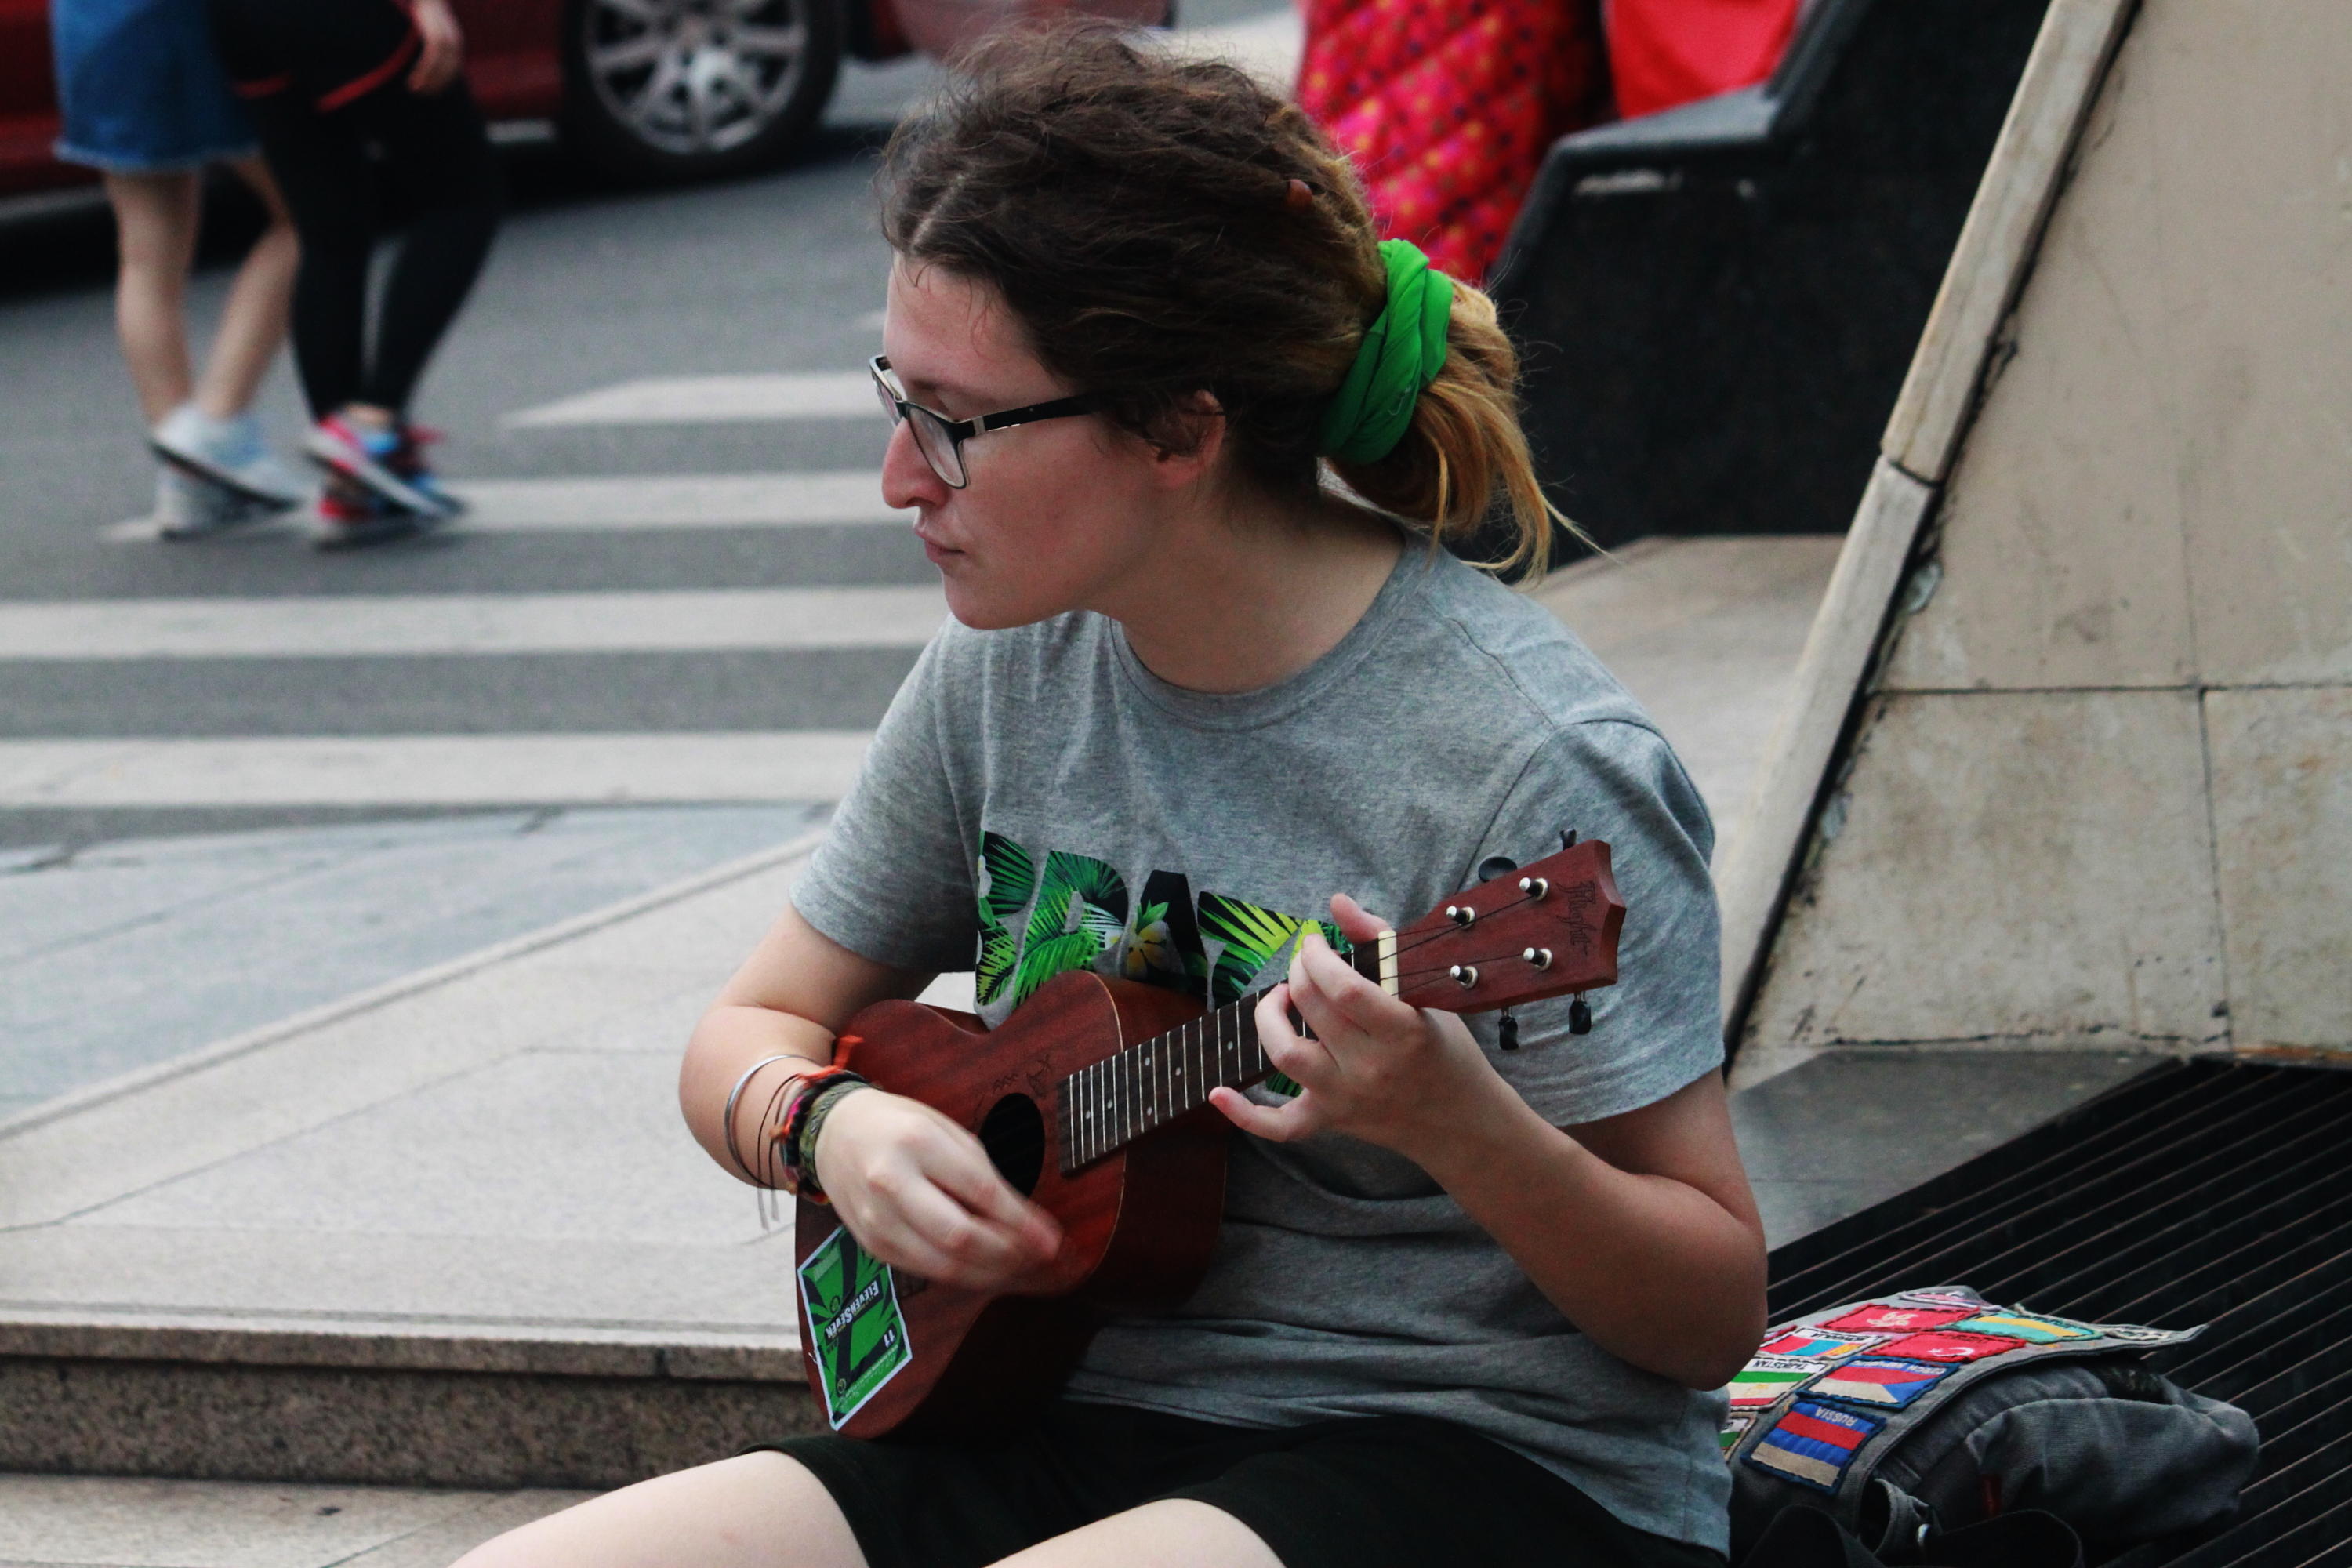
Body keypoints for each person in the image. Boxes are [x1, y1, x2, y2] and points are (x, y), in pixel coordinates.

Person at [456, 24, 1766, 1568]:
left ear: (1181, 430)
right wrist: (837, 1130)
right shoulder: (1010, 671)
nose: (896, 476)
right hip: (1059, 1408)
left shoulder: (1529, 762)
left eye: (955, 419)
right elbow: (745, 1033)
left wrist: (1460, 1123)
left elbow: (1708, 1311)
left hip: (1481, 1458)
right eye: (898, 394)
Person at [204, 0, 503, 548]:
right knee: (462, 199)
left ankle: (352, 478)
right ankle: (370, 426)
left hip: (238, 21)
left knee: (329, 232)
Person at [50, 0, 306, 539]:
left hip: (90, 30)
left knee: (146, 255)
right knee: (315, 216)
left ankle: (185, 468)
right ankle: (217, 424)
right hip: (187, 22)